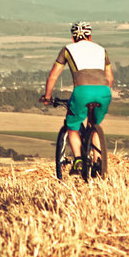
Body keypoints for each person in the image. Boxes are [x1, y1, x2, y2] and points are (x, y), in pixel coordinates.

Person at [40, 22, 113, 163]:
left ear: (73, 38)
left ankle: (79, 160)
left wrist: (47, 97)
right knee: (95, 124)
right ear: (90, 37)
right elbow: (110, 77)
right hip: (104, 91)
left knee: (72, 126)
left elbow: (53, 76)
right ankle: (98, 162)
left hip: (82, 91)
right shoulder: (101, 50)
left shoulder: (67, 49)